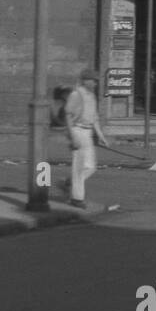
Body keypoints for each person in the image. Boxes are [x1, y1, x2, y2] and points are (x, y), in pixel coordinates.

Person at [64, 68, 108, 208]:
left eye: (96, 81)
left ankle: (70, 182)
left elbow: (94, 118)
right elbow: (68, 116)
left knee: (90, 167)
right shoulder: (76, 94)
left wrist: (101, 136)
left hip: (88, 132)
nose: (95, 83)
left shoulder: (92, 96)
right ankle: (77, 199)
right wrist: (72, 136)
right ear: (85, 81)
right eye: (93, 80)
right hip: (77, 130)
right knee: (79, 166)